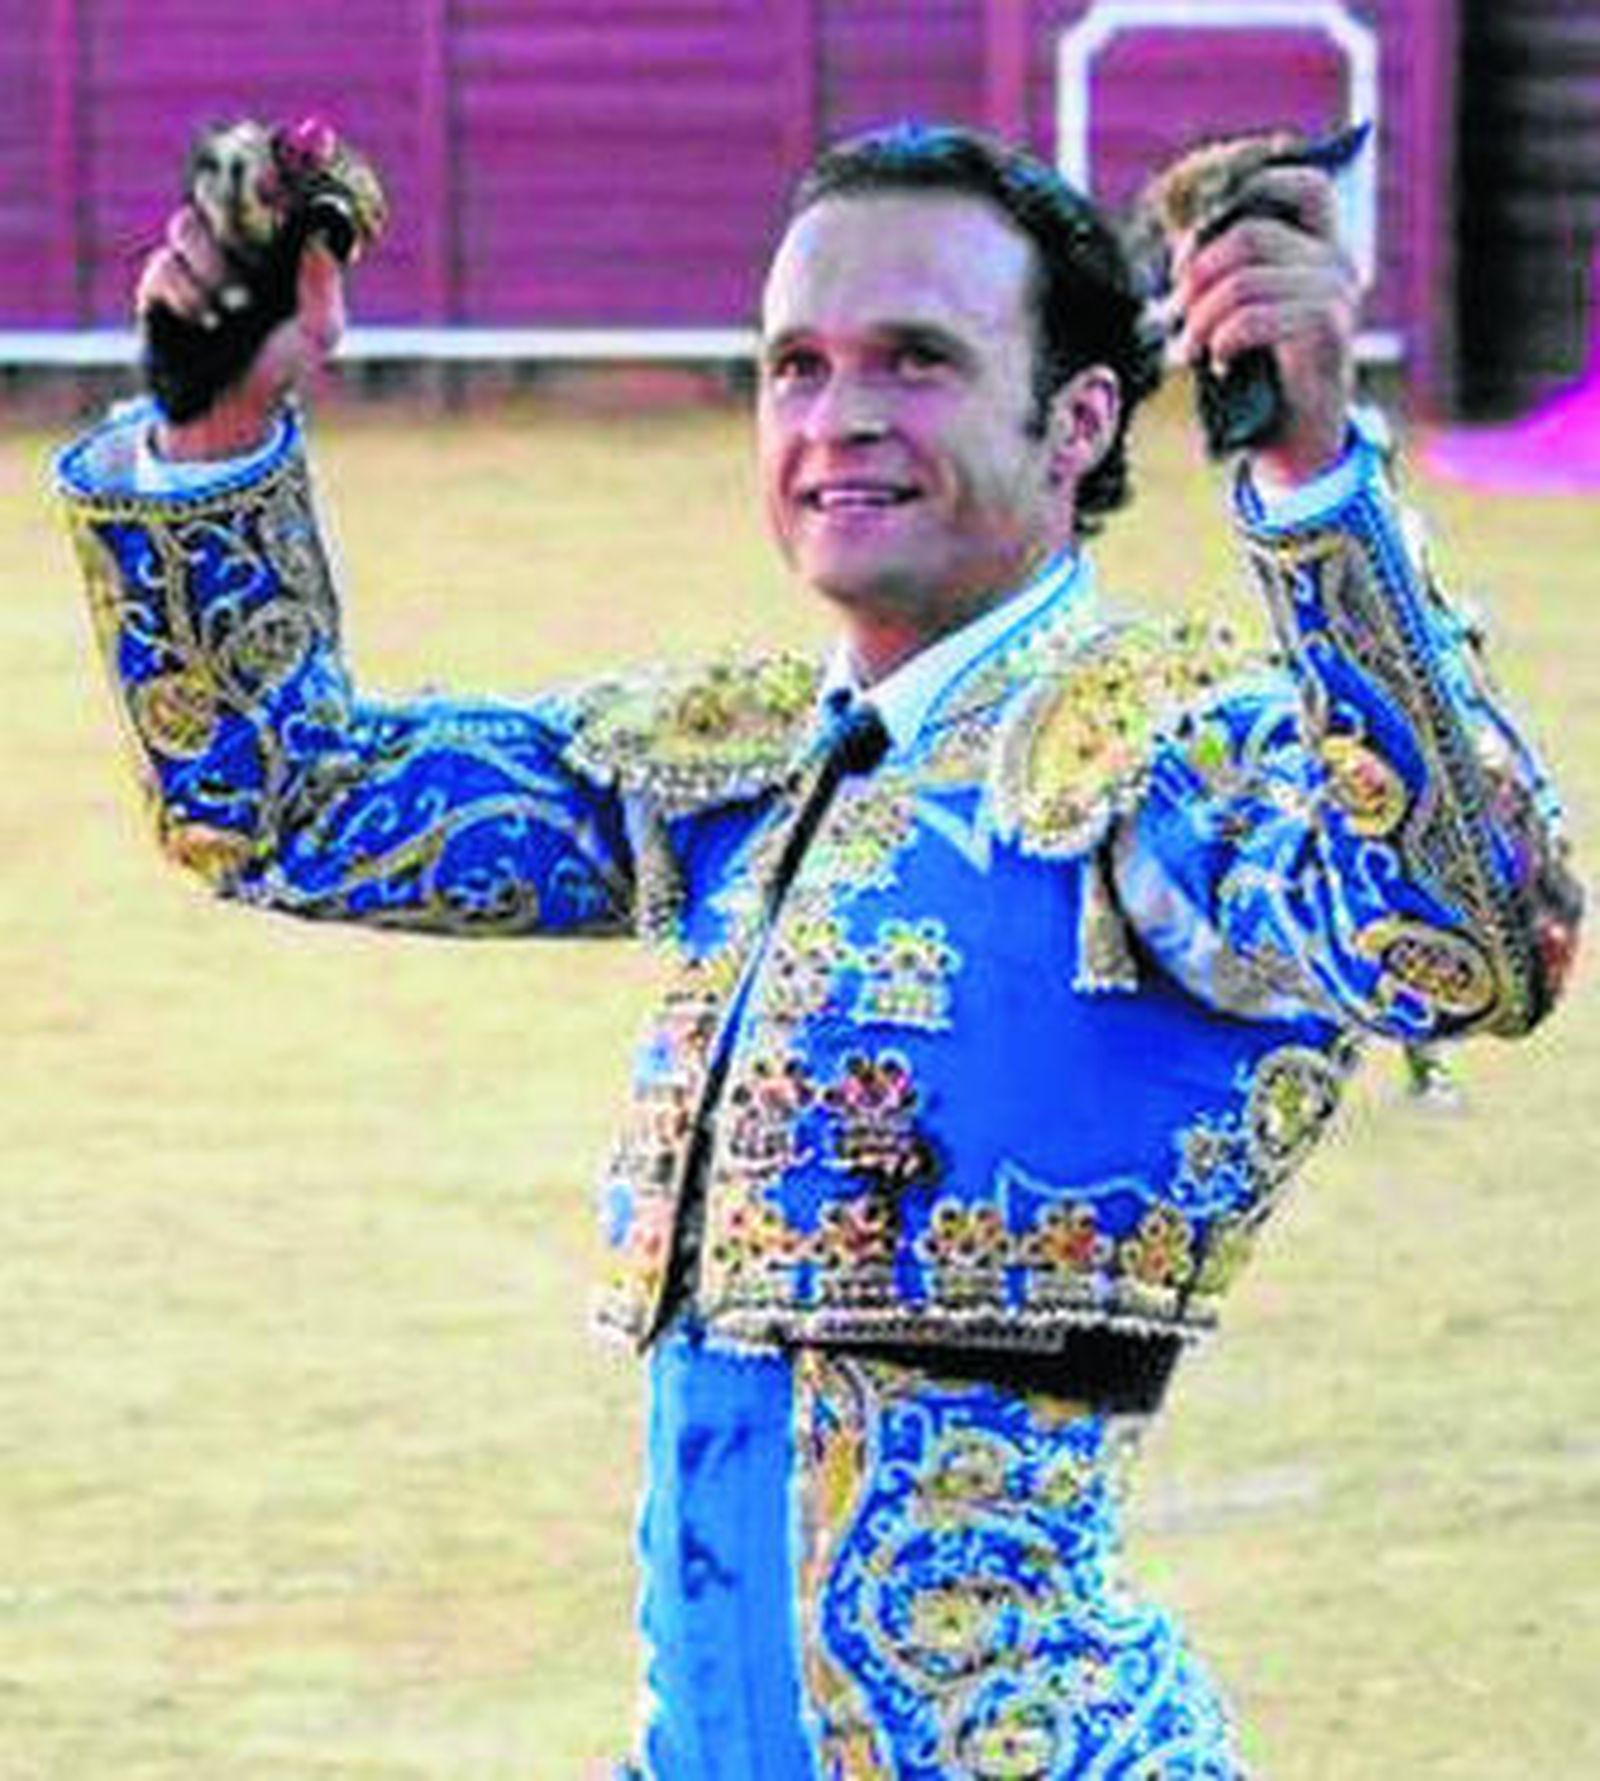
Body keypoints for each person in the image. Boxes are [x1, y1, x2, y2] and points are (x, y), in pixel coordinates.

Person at [57, 122, 1579, 1779]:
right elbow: (286, 803)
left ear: (1078, 419)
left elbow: (1474, 937)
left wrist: (1313, 485)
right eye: (797, 366)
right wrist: (218, 433)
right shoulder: (749, 768)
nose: (839, 414)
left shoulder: (1155, 768)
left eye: (916, 360)